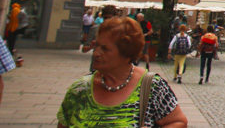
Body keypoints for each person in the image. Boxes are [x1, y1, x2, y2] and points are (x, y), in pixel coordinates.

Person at [57, 16, 187, 127]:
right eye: (96, 46)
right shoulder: (79, 89)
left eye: (105, 49)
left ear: (126, 54)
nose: (96, 53)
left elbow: (178, 122)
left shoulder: (151, 87)